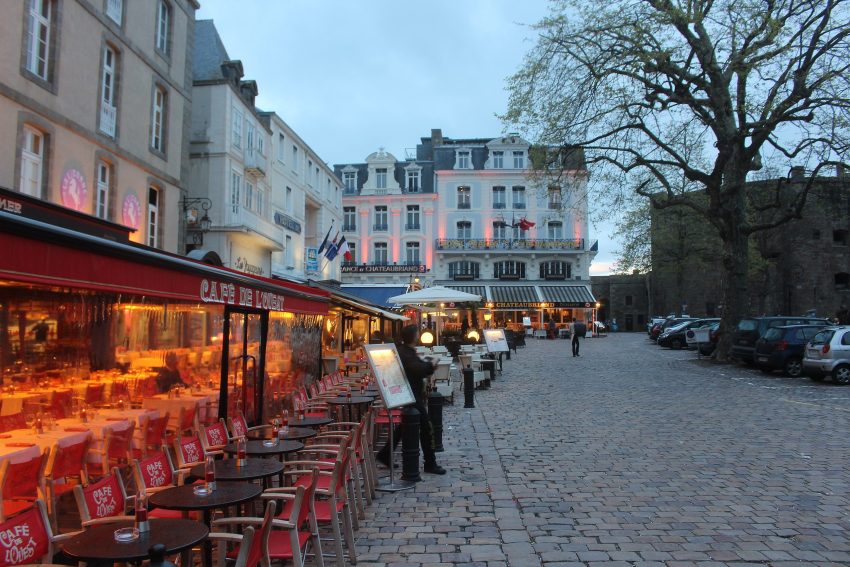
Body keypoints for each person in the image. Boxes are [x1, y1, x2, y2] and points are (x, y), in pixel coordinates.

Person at [376, 324, 446, 475]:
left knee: (405, 427)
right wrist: (431, 365)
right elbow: (417, 369)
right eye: (417, 333)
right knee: (426, 428)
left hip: (410, 394)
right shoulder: (405, 353)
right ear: (414, 336)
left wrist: (427, 364)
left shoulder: (405, 351)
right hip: (411, 395)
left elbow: (418, 365)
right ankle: (430, 462)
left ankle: (384, 455)